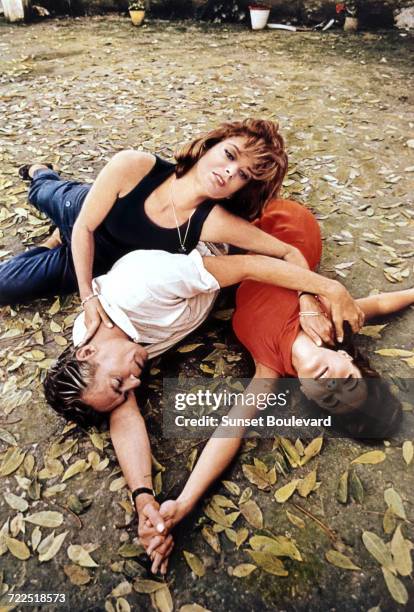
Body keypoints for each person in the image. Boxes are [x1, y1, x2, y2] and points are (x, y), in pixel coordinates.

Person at [44, 199, 411, 574]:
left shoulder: (271, 368)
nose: (330, 383)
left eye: (329, 398)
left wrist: (182, 503)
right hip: (287, 230)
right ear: (350, 360)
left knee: (59, 208)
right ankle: (56, 197)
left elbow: (228, 431)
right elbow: (379, 303)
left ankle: (49, 190)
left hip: (239, 249)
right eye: (345, 382)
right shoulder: (331, 322)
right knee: (67, 207)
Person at [0, 118, 363, 345]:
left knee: (7, 286)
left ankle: (52, 242)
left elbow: (287, 253)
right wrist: (88, 298)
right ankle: (41, 172)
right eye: (231, 155)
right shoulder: (134, 165)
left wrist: (307, 298)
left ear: (242, 189)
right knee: (42, 192)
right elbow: (85, 227)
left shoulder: (213, 221)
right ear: (210, 145)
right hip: (82, 215)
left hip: (96, 260)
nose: (229, 172)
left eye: (243, 176)